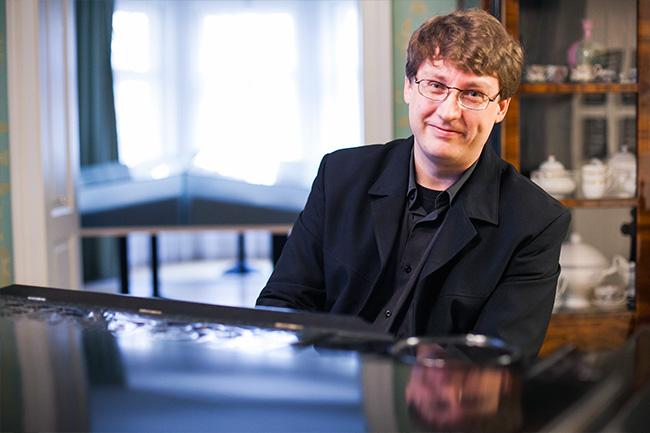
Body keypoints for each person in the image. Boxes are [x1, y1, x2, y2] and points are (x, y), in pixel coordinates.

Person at [256, 8, 571, 360]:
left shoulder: (536, 222)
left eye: (473, 94)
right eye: (435, 85)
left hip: (441, 395)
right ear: (409, 87)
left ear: (501, 108)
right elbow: (281, 304)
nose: (448, 112)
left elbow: (499, 360)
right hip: (331, 384)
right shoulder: (340, 175)